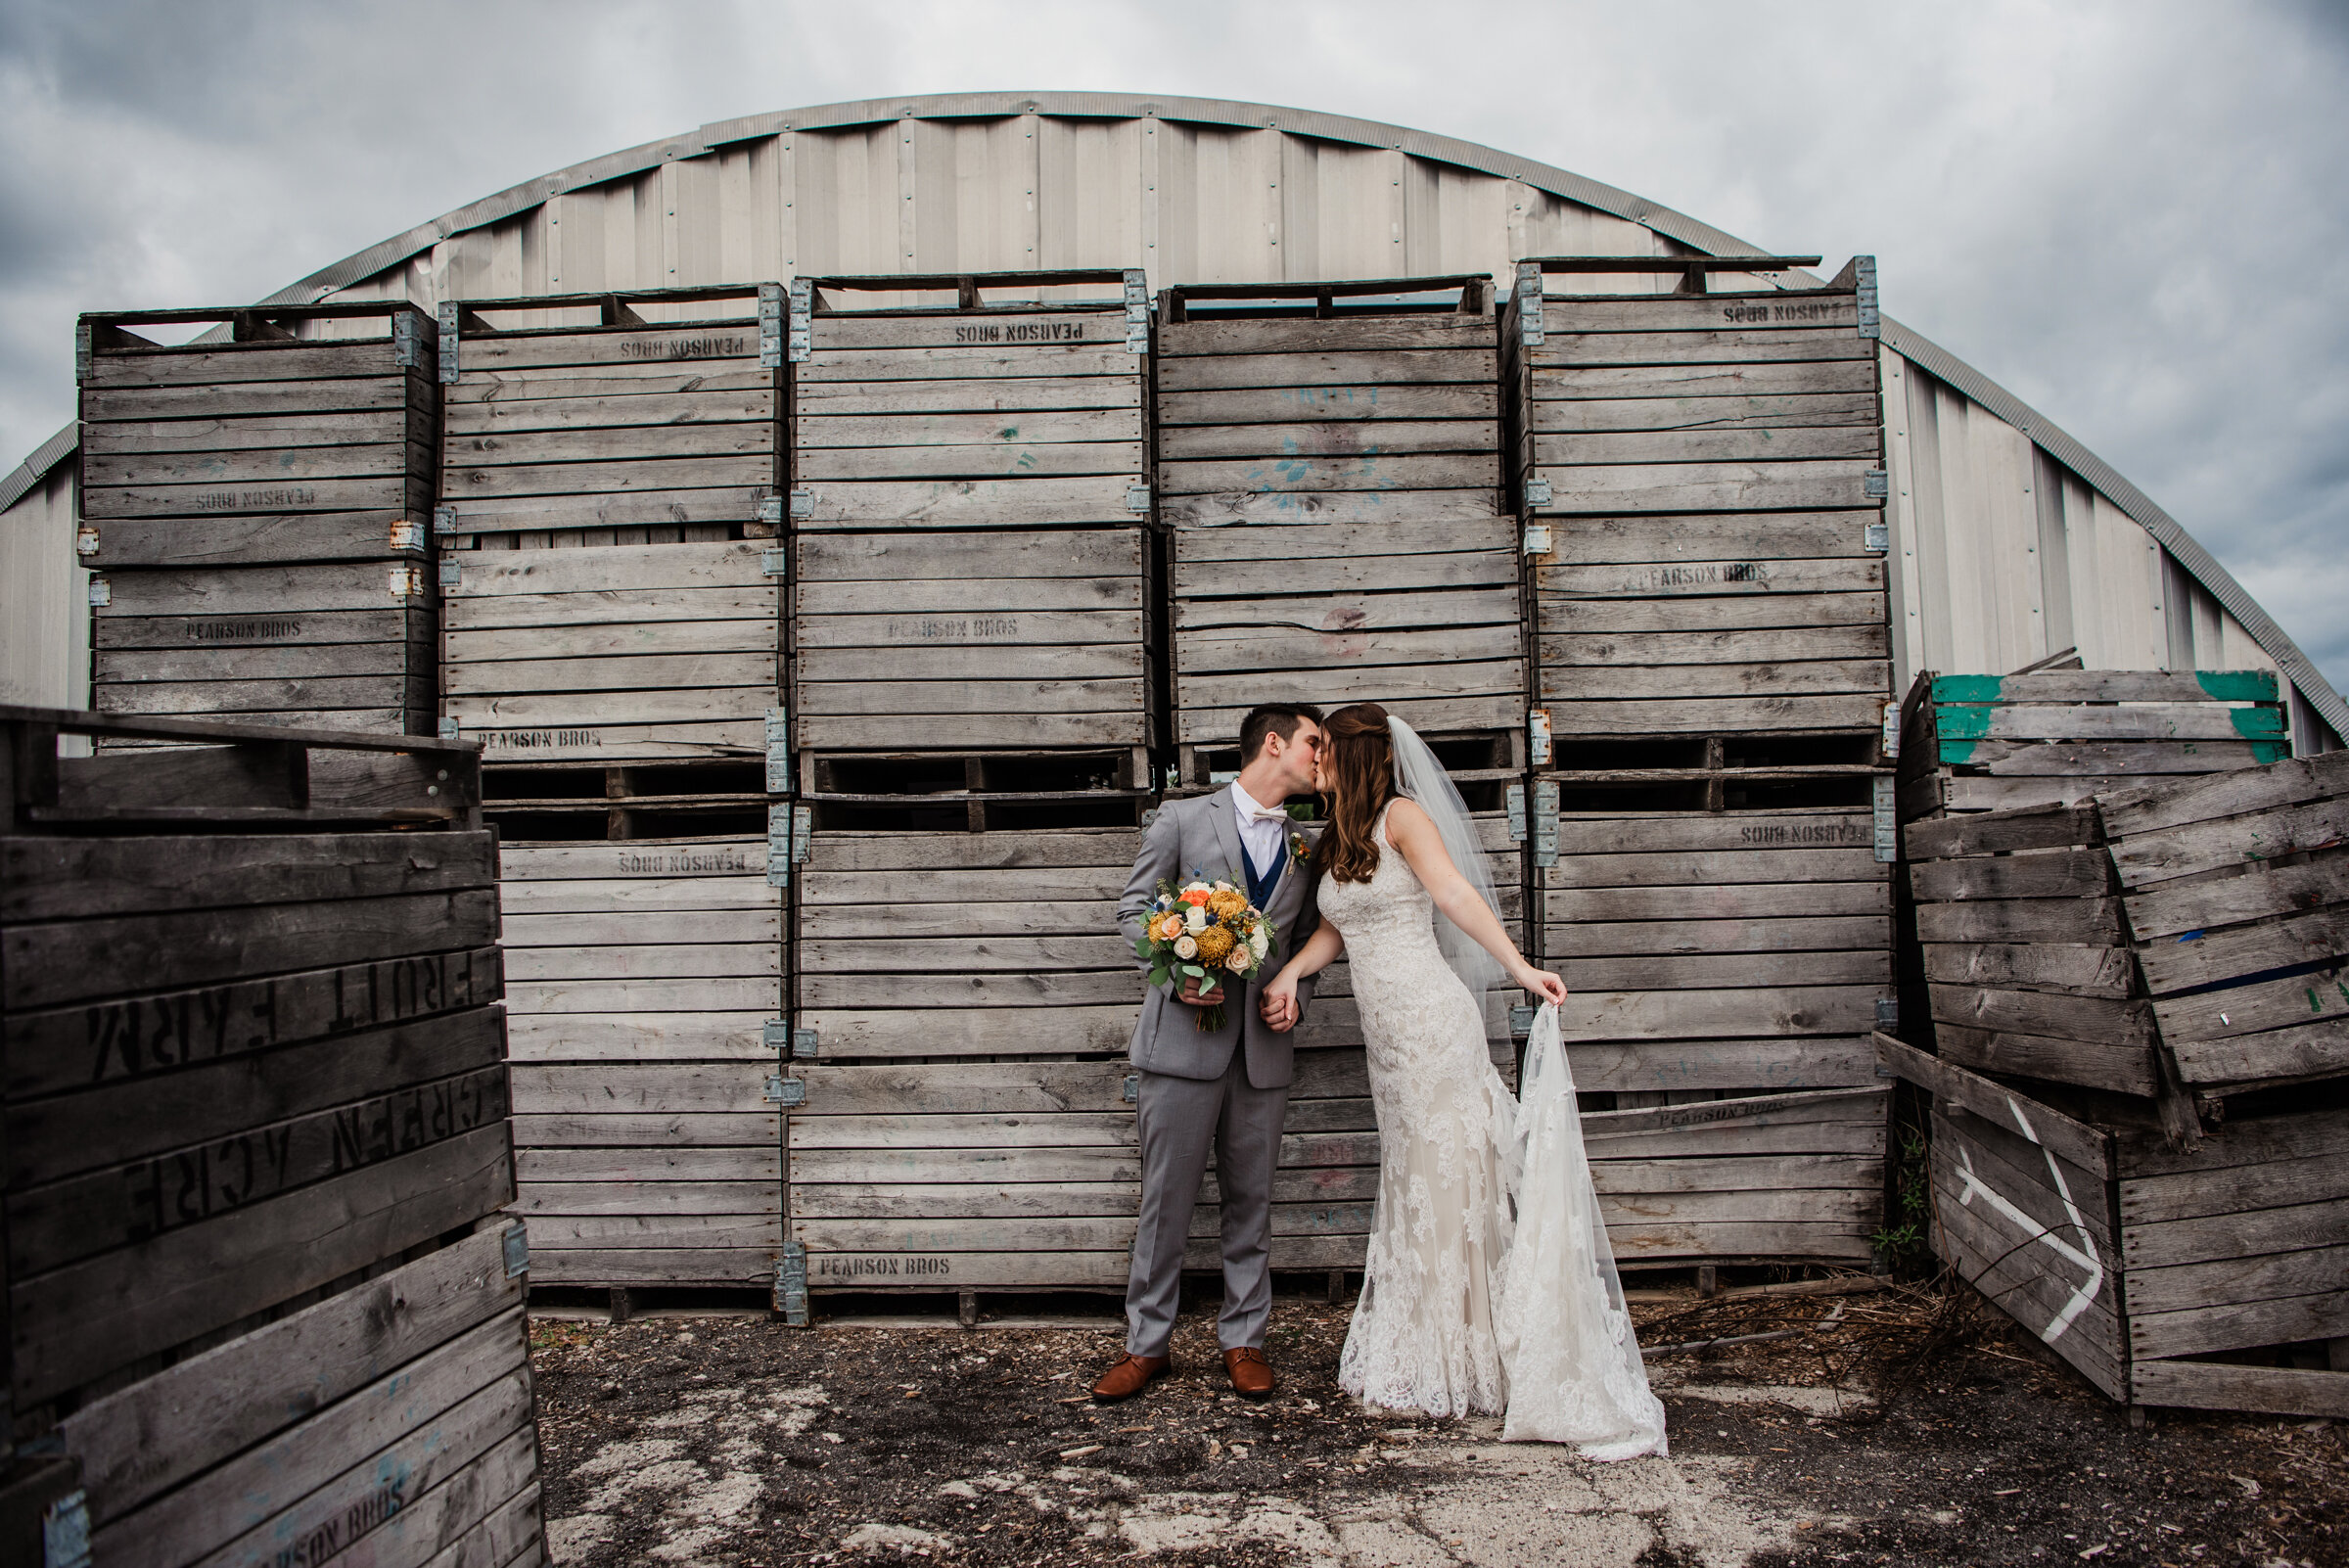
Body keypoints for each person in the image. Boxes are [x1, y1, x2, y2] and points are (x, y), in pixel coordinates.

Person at [1257, 702, 1668, 1456]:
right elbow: (1332, 930)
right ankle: (1431, 1339)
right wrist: (1287, 971)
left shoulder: (1402, 817)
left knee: (1453, 1180)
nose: (1311, 759)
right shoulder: (1339, 834)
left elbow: (1452, 895)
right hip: (1390, 1045)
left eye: (1323, 749)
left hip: (1432, 1025)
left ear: (1355, 755)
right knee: (1417, 1178)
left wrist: (1519, 969)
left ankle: (1471, 1354)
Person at [1092, 703, 1325, 1404]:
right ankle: (1146, 1346)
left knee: (1252, 1203)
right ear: (1276, 743)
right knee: (1166, 1203)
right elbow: (1133, 913)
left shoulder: (1308, 845)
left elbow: (1311, 947)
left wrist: (1298, 996)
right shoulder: (1182, 820)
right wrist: (1177, 969)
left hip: (1262, 1055)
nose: (1323, 756)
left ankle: (1245, 1339)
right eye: (1316, 742)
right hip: (1179, 1051)